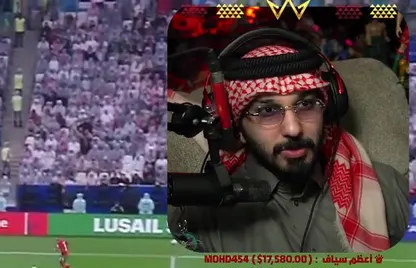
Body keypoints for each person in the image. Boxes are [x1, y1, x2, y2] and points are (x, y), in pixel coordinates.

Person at [169, 42, 408, 252]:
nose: (293, 129)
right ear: (236, 126)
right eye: (267, 110)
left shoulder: (387, 188)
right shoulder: (203, 213)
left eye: (306, 104)